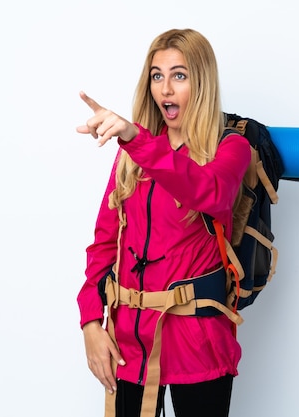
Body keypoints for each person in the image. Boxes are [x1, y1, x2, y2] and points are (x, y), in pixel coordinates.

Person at [76, 28, 251, 417]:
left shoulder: (230, 148)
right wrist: (91, 320)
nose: (165, 89)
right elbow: (105, 243)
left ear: (201, 83)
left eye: (179, 75)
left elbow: (209, 192)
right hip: (128, 343)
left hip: (197, 344)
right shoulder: (130, 154)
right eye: (157, 75)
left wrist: (135, 138)